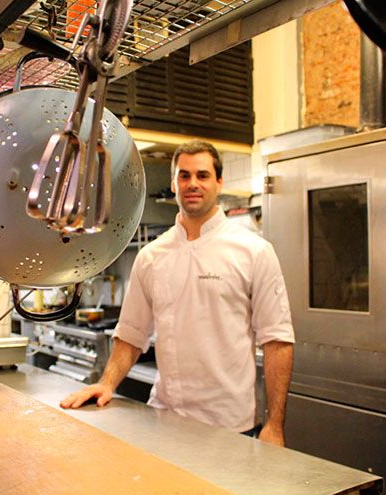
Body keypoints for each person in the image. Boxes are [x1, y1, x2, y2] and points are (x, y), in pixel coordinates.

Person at [60, 140, 295, 445]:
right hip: (165, 419)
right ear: (173, 183)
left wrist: (275, 424)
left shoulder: (254, 251)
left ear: (219, 182)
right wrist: (106, 384)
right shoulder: (152, 256)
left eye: (202, 175)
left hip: (229, 426)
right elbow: (131, 335)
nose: (192, 184)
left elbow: (277, 341)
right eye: (184, 176)